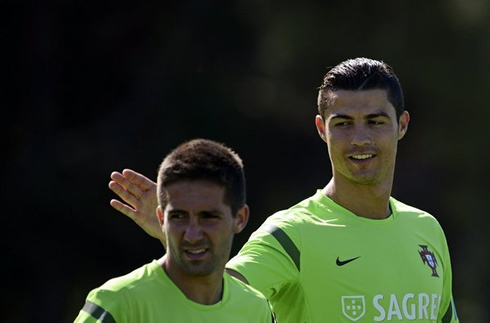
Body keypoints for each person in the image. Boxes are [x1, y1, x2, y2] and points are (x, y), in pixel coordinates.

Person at [108, 58, 459, 322]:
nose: (360, 138)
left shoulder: (426, 230)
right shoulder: (293, 234)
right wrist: (180, 239)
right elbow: (216, 300)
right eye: (343, 124)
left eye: (375, 121)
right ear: (322, 129)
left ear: (402, 124)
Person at [75, 139, 274, 322]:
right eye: (178, 216)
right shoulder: (117, 303)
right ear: (161, 219)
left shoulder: (257, 309)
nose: (192, 235)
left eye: (208, 217)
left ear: (239, 219)